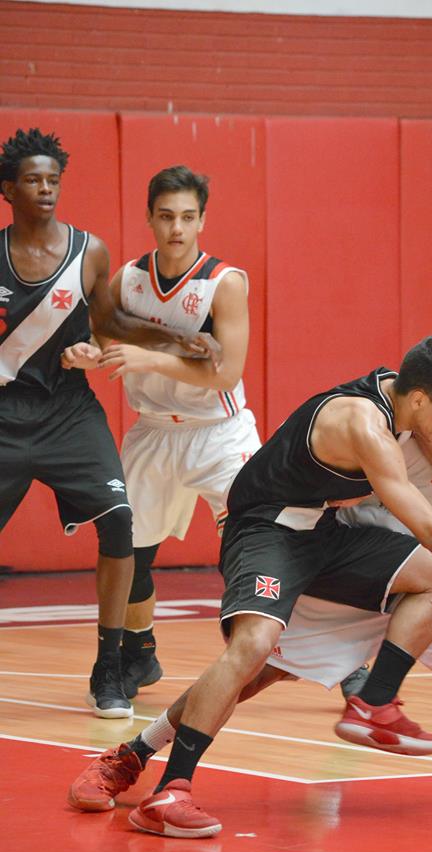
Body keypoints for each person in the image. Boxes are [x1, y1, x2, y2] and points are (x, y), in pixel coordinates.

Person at [68, 307, 432, 823]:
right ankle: (142, 763)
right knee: (255, 660)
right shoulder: (390, 413)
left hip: (387, 558)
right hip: (293, 532)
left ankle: (397, 708)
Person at [0, 128, 205, 719]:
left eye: (53, 180)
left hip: (68, 410)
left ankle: (109, 667)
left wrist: (179, 337)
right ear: (8, 189)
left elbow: (110, 323)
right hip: (7, 413)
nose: (46, 189)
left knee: (119, 520)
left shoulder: (88, 251)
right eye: (33, 180)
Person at [66, 165, 261, 699]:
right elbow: (101, 338)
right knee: (130, 552)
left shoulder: (225, 282)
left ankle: (337, 662)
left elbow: (226, 374)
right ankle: (140, 653)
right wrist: (87, 353)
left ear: (203, 220)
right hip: (152, 431)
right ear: (150, 218)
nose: (177, 227)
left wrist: (148, 357)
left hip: (219, 433)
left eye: (188, 217)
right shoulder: (128, 279)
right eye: (167, 216)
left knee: (262, 541)